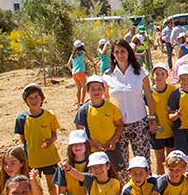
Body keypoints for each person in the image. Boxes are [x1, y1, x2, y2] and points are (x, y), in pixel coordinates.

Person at [103, 39, 157, 174]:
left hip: (139, 123)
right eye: (116, 52)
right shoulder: (108, 76)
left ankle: (145, 191)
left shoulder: (140, 72)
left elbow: (149, 97)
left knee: (143, 161)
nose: (120, 55)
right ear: (113, 55)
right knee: (121, 164)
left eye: (123, 51)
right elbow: (106, 100)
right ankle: (125, 192)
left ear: (128, 53)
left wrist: (152, 118)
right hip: (118, 125)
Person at [14, 83, 61, 195]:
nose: (34, 101)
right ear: (26, 101)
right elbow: (23, 140)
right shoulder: (21, 119)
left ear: (42, 98)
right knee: (34, 191)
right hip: (32, 160)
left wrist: (49, 141)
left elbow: (54, 134)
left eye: (36, 97)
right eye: (30, 98)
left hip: (50, 158)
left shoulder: (50, 115)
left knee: (52, 188)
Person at [75, 75, 125, 173]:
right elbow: (80, 133)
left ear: (103, 90)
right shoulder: (84, 110)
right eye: (93, 89)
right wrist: (94, 144)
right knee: (99, 174)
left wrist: (113, 141)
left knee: (117, 174)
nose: (96, 91)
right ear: (88, 91)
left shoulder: (111, 107)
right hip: (94, 150)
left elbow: (120, 125)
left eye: (99, 88)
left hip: (112, 148)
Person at [54, 130, 89, 195]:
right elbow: (61, 192)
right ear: (70, 147)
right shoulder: (64, 166)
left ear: (86, 145)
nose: (77, 147)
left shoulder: (93, 164)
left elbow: (89, 191)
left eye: (80, 144)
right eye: (74, 145)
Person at [150, 63, 175, 175]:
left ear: (167, 75)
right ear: (152, 76)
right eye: (156, 74)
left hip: (171, 129)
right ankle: (159, 182)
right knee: (160, 160)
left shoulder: (173, 90)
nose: (159, 76)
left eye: (162, 74)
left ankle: (171, 181)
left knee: (171, 160)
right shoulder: (148, 92)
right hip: (157, 131)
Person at [67, 40, 97, 106]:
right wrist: (94, 63)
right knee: (85, 87)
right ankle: (82, 103)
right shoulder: (82, 52)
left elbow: (68, 64)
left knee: (79, 88)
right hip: (80, 72)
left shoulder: (73, 55)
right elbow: (90, 59)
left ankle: (78, 102)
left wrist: (72, 70)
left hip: (74, 73)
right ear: (81, 46)